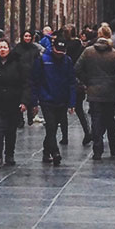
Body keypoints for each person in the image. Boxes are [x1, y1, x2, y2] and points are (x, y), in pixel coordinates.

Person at [74, 24, 115, 160]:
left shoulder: (88, 51)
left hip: (93, 90)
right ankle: (114, 145)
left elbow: (77, 68)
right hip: (109, 91)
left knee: (96, 119)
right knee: (110, 119)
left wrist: (87, 81)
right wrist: (114, 82)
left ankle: (97, 149)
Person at [31, 37, 77, 165]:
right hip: (46, 99)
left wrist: (72, 102)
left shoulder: (67, 61)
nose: (59, 54)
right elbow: (34, 81)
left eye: (62, 52)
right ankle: (55, 152)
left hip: (61, 99)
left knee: (53, 129)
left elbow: (72, 82)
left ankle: (46, 152)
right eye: (57, 51)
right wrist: (34, 101)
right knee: (51, 126)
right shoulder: (42, 60)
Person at [0, 38, 26, 168]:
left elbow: (24, 84)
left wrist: (24, 101)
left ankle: (9, 154)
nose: (2, 50)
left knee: (10, 130)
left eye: (5, 47)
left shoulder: (17, 64)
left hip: (13, 103)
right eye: (0, 48)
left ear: (9, 49)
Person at [15, 30, 43, 126]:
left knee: (31, 96)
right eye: (25, 36)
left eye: (29, 36)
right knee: (19, 97)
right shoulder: (17, 49)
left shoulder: (34, 48)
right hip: (20, 76)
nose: (27, 38)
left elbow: (38, 61)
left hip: (32, 75)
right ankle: (19, 119)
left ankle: (30, 115)